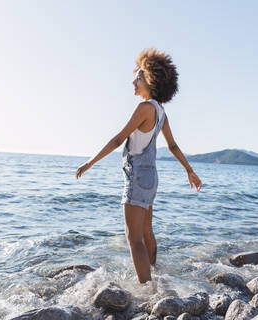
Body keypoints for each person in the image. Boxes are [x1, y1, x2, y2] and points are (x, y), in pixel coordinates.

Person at [75, 48, 202, 284]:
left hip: (137, 178)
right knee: (146, 232)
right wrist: (189, 170)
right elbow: (172, 146)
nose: (134, 81)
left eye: (139, 77)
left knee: (133, 238)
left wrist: (90, 162)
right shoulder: (161, 112)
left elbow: (117, 139)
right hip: (151, 178)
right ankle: (155, 276)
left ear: (151, 81)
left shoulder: (145, 108)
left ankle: (147, 289)